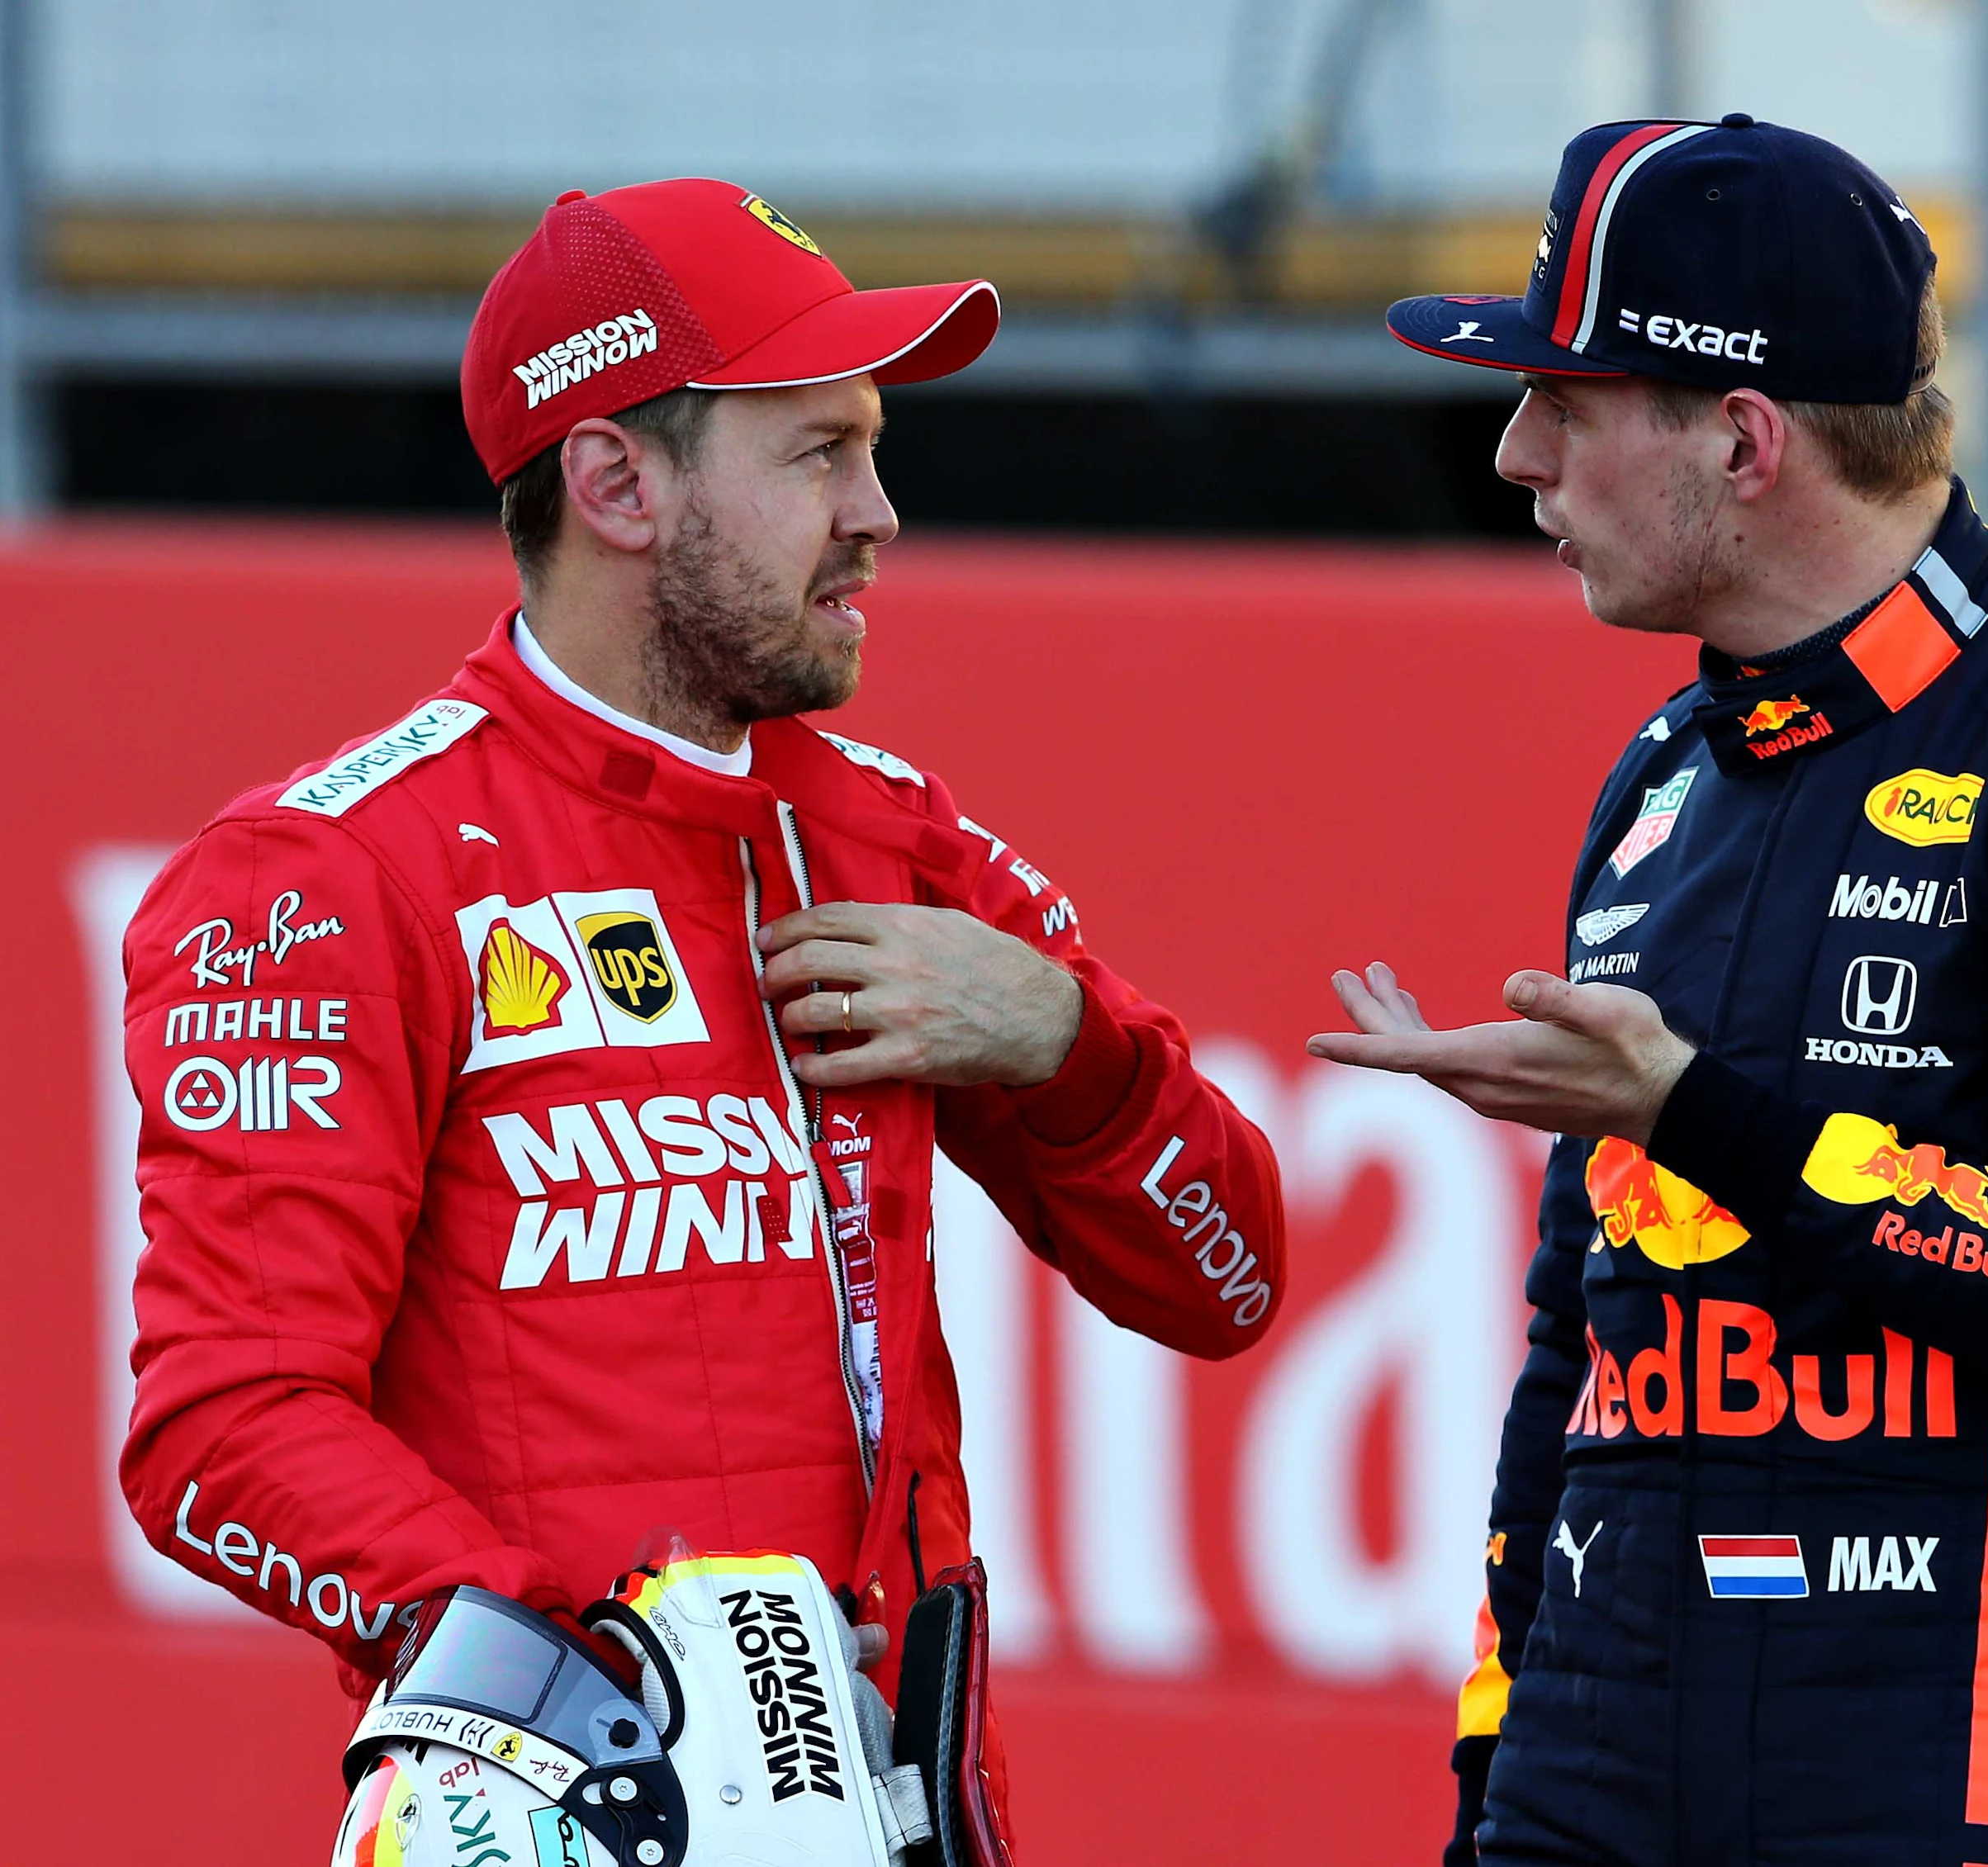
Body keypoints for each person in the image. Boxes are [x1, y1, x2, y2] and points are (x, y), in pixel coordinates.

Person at [116, 178, 1286, 1850]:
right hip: (558, 1814)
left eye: (873, 450)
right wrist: (597, 1697)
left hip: (912, 1815)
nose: (879, 512)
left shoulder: (899, 837)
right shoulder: (327, 872)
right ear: (615, 482)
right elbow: (217, 1428)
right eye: (819, 454)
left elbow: (1227, 1277)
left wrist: (1068, 1051)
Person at [1312, 118, 1988, 1865]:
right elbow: (1582, 1343)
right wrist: (1494, 1776)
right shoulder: (1669, 767)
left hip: (1948, 1768)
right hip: (1589, 1776)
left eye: (1564, 404)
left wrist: (1698, 1111)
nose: (1512, 456)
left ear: (1740, 440)